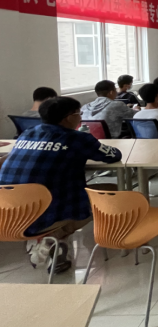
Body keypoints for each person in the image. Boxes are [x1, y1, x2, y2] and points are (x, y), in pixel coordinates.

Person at [0, 97, 122, 274]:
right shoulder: (78, 138)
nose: (81, 117)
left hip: (8, 212)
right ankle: (52, 236)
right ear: (69, 118)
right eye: (79, 113)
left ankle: (48, 242)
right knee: (111, 192)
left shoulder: (28, 133)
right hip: (45, 211)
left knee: (50, 190)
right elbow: (113, 155)